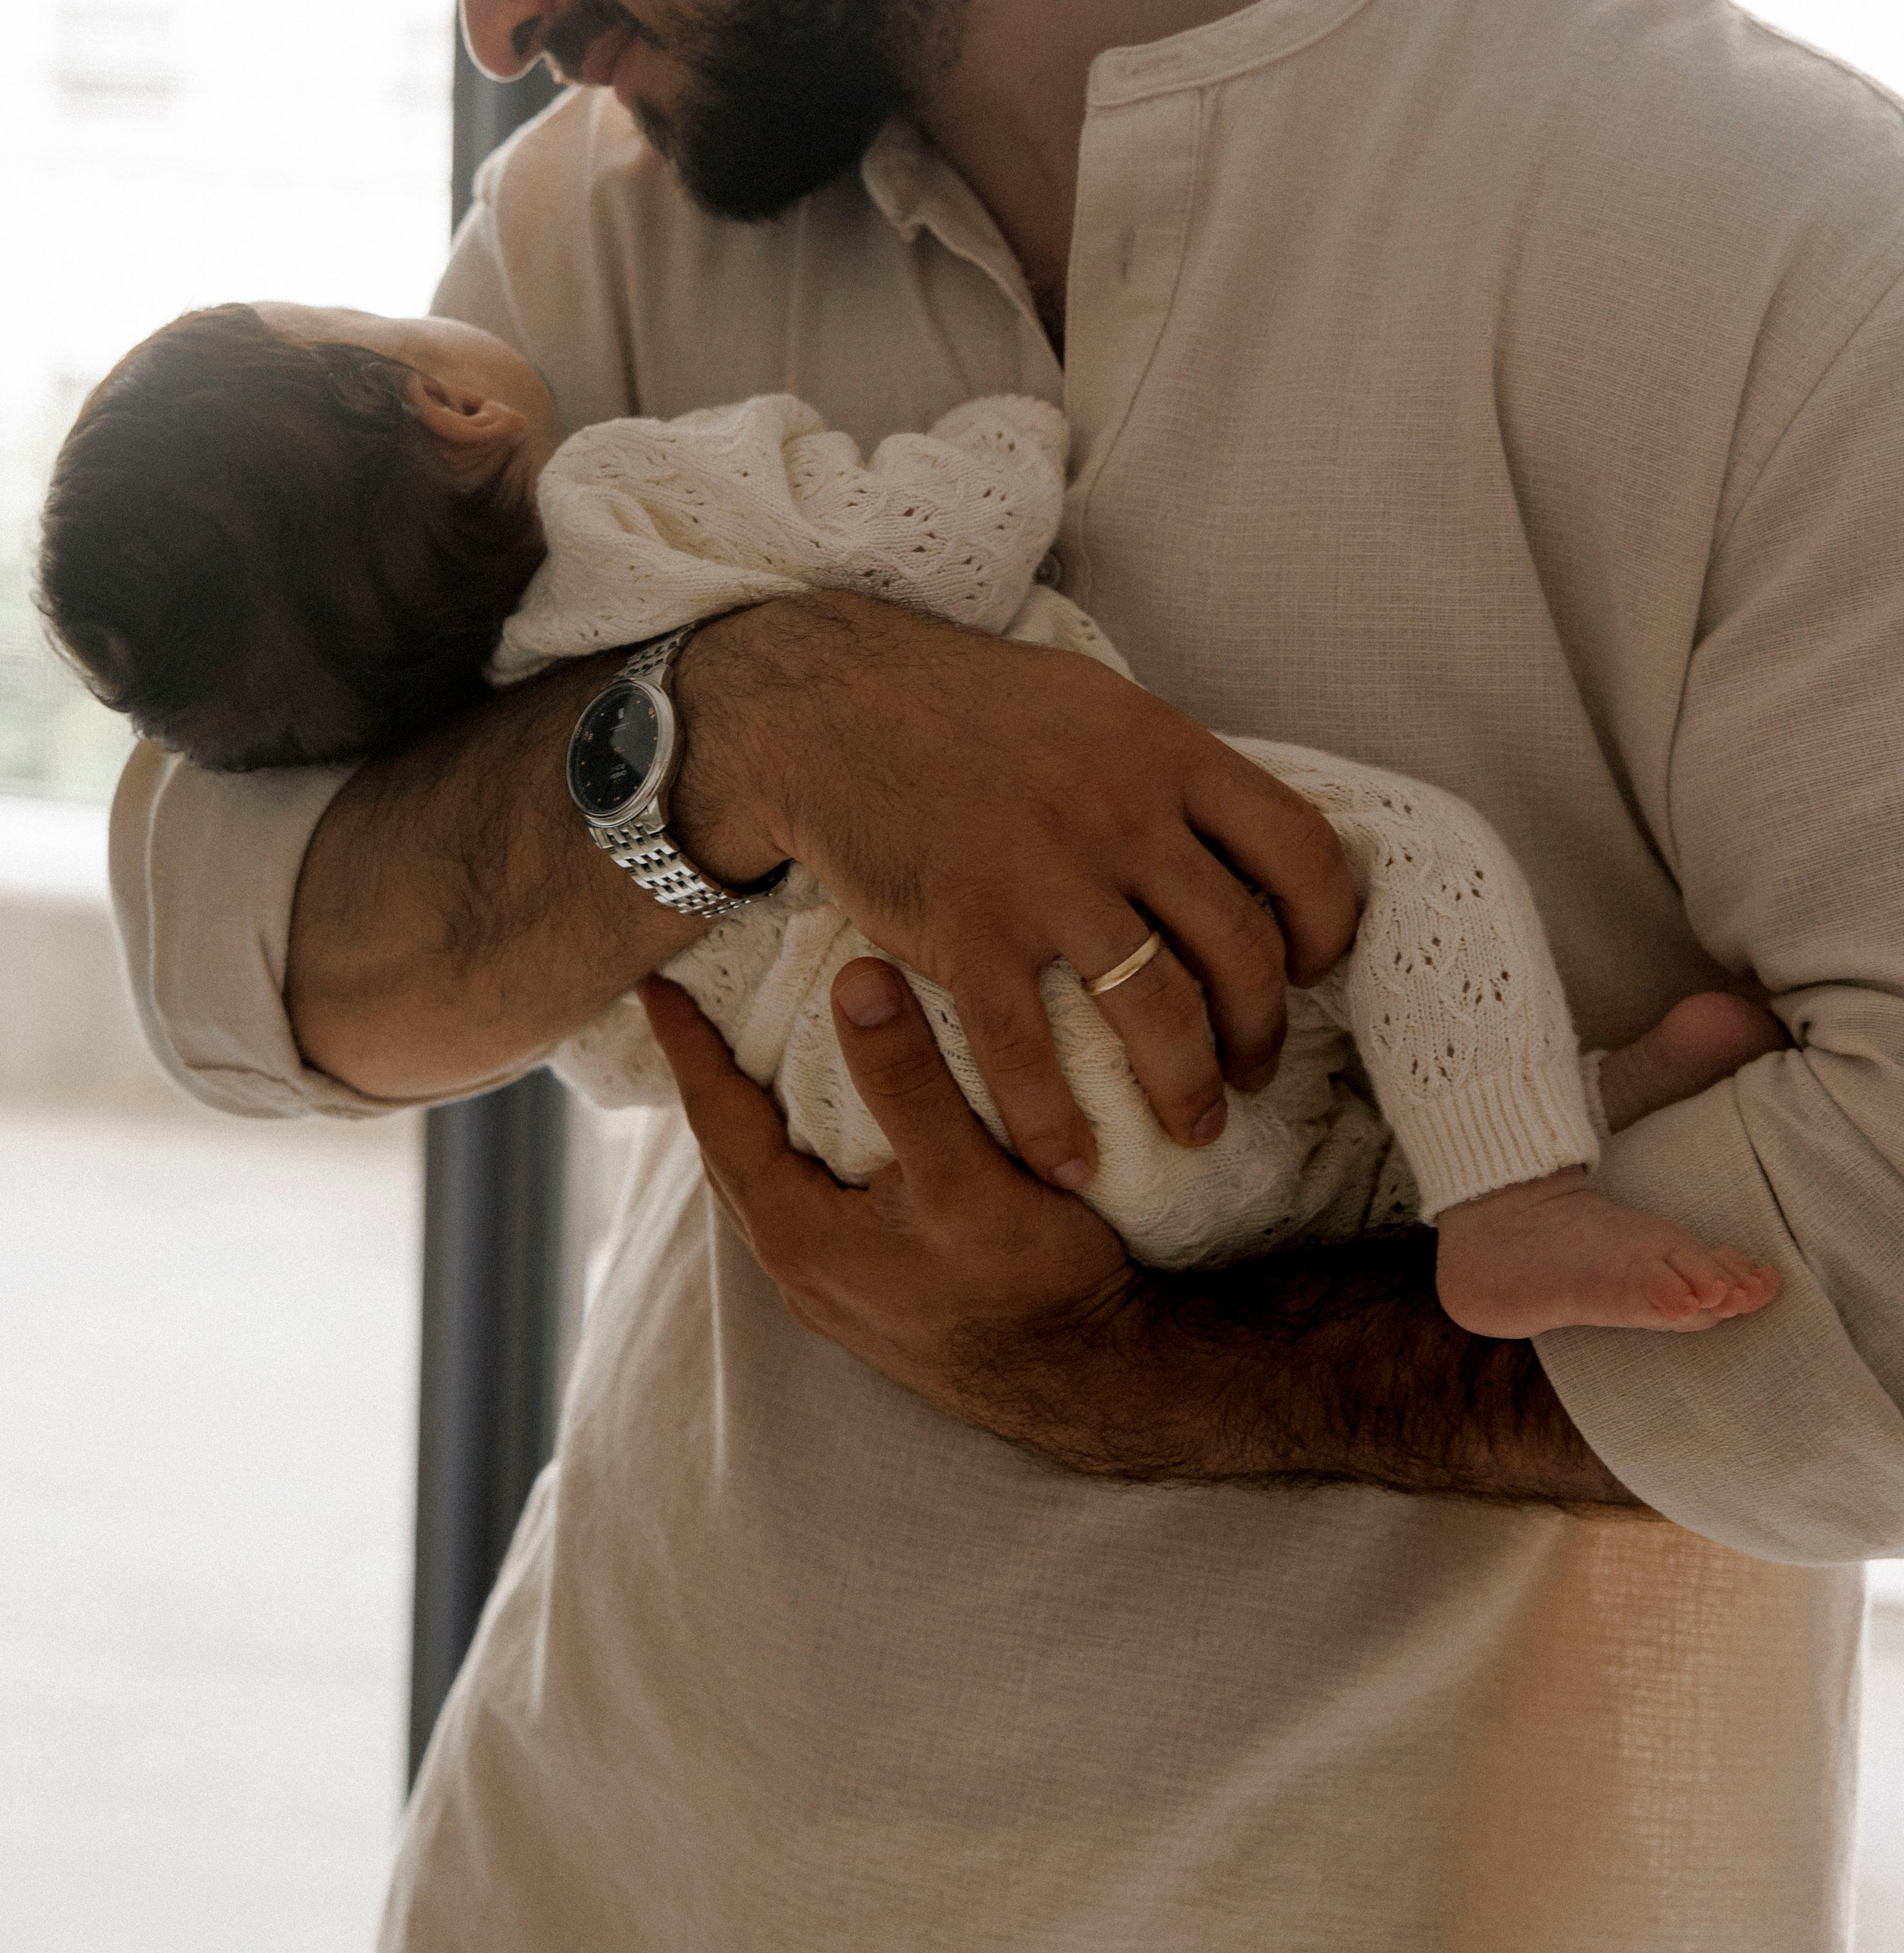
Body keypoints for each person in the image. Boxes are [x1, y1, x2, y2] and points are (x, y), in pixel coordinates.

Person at [108, 0, 1904, 1953]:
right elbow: (230, 941)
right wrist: (754, 726)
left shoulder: (1771, 248)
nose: (492, 0)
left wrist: (1133, 1372)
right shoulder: (608, 237)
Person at [43, 296, 1784, 1321]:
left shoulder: (464, 737)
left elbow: (623, 1050)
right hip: (1079, 972)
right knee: (1392, 867)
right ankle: (1517, 1185)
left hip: (935, 1140)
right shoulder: (624, 495)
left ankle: (1550, 1131)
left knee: (1287, 1173)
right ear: (449, 405)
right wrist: (1016, 431)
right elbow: (932, 550)